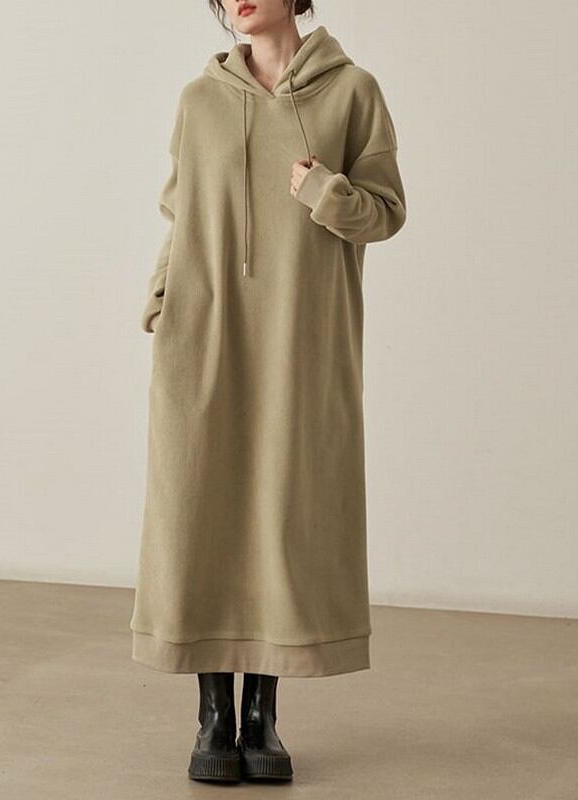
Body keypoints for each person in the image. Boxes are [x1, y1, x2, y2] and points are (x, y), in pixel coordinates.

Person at [131, 0, 407, 783]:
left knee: (280, 515)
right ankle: (212, 716)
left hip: (300, 337)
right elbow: (181, 212)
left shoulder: (352, 92)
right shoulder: (200, 100)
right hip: (205, 327)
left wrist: (326, 190)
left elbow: (387, 212)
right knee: (199, 509)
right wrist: (162, 294)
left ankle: (262, 716)